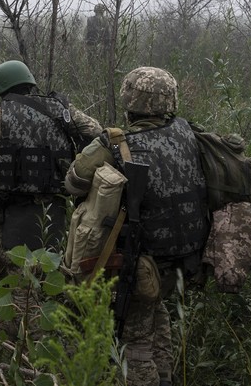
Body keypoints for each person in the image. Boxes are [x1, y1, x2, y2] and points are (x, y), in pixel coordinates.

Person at [64, 67, 210, 386]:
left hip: (143, 263)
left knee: (136, 343)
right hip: (188, 258)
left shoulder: (118, 144)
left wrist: (99, 146)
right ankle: (166, 378)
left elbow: (74, 183)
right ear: (170, 100)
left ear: (130, 101)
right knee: (156, 318)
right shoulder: (191, 133)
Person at [0, 60, 102, 291]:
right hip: (57, 209)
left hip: (14, 210)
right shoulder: (61, 109)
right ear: (29, 83)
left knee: (16, 271)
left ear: (1, 87)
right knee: (52, 268)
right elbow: (97, 132)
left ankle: (13, 311)